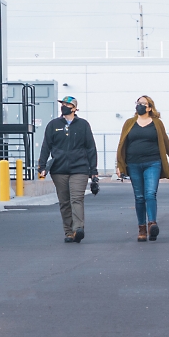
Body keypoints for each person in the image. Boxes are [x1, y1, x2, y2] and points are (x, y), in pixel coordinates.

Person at [115, 95, 169, 242]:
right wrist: (119, 166)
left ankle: (152, 224)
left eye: (143, 104)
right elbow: (122, 145)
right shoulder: (129, 123)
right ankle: (141, 229)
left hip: (153, 162)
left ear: (149, 107)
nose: (139, 106)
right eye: (138, 103)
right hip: (133, 164)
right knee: (139, 197)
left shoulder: (157, 123)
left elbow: (166, 143)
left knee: (150, 193)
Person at [38, 95, 99, 243]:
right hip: (59, 169)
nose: (63, 106)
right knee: (64, 202)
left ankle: (78, 228)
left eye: (66, 104)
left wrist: (93, 171)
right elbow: (46, 146)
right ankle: (68, 231)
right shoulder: (53, 125)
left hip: (80, 168)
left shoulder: (83, 125)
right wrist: (42, 165)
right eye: (62, 104)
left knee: (76, 198)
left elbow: (90, 148)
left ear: (74, 108)